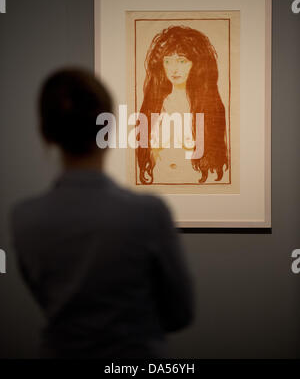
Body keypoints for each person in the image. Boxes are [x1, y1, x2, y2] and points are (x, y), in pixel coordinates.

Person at [10, 67, 194, 359]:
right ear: (108, 128)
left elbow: (49, 300)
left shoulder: (22, 217)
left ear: (45, 133)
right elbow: (181, 313)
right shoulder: (147, 212)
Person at [137, 25, 229, 185]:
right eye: (167, 61)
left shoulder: (207, 107)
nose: (174, 69)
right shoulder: (155, 106)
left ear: (197, 64)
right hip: (160, 180)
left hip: (198, 182)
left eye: (182, 60)